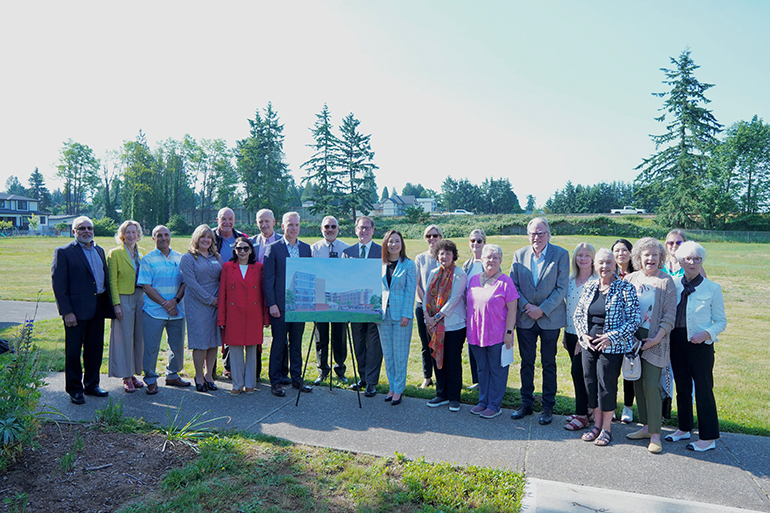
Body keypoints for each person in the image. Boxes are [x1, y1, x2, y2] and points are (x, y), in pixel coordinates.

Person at [574, 248, 640, 447]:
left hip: (612, 347)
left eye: (609, 263)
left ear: (615, 265)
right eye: (601, 262)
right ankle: (595, 425)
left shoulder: (624, 288)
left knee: (606, 386)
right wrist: (582, 335)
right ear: (595, 265)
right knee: (591, 384)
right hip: (589, 345)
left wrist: (611, 337)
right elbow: (578, 315)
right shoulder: (590, 286)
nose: (605, 266)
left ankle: (606, 429)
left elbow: (634, 319)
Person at [665, 241, 727, 452]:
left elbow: (721, 321)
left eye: (697, 259)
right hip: (677, 342)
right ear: (681, 261)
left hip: (700, 345)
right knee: (682, 389)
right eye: (688, 259)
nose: (692, 263)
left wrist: (707, 333)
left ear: (702, 261)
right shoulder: (673, 283)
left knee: (703, 390)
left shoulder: (712, 288)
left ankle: (708, 437)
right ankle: (684, 428)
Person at [509, 217, 569, 425]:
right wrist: (527, 306)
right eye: (533, 233)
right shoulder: (519, 255)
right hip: (525, 319)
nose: (537, 237)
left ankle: (548, 407)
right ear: (528, 235)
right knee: (526, 363)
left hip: (550, 320)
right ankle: (526, 403)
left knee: (548, 363)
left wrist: (541, 310)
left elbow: (561, 288)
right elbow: (513, 286)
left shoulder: (561, 254)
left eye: (541, 233)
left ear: (548, 234)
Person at [51, 216, 114, 404]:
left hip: (98, 308)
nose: (86, 231)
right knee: (73, 352)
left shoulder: (99, 250)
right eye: (81, 228)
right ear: (74, 232)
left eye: (89, 228)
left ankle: (92, 384)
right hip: (75, 312)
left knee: (94, 350)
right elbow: (59, 285)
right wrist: (66, 312)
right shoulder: (64, 252)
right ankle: (74, 389)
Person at [624, 237, 677, 454]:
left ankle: (656, 435)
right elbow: (622, 311)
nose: (651, 259)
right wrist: (630, 337)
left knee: (652, 386)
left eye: (655, 255)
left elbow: (670, 315)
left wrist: (656, 338)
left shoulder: (666, 281)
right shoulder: (629, 279)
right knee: (637, 383)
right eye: (646, 255)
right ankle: (645, 427)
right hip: (632, 339)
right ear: (638, 257)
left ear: (660, 257)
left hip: (656, 340)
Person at [466, 244, 519, 419]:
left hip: (497, 335)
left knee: (497, 370)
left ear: (501, 261)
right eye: (488, 257)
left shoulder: (506, 282)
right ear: (481, 259)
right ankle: (483, 401)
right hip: (476, 333)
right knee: (482, 369)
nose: (492, 260)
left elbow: (512, 310)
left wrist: (509, 332)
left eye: (496, 257)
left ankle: (494, 405)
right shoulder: (473, 279)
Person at [264, 211, 313, 397]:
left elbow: (310, 276)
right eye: (290, 225)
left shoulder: (306, 249)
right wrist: (272, 304)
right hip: (280, 307)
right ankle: (275, 382)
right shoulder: (274, 248)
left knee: (296, 343)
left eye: (296, 225)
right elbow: (268, 280)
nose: (293, 228)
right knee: (279, 344)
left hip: (300, 306)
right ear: (282, 227)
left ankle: (297, 379)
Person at [138, 225, 190, 395]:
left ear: (170, 237)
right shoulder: (147, 259)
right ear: (153, 239)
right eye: (158, 235)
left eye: (166, 235)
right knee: (152, 347)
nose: (163, 238)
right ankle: (151, 380)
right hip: (154, 311)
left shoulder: (180, 258)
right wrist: (165, 304)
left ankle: (172, 375)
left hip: (176, 311)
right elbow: (146, 286)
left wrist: (174, 302)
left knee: (177, 346)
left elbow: (184, 282)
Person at [218, 237, 268, 395]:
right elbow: (223, 294)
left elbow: (263, 294)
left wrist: (265, 318)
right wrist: (222, 318)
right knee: (235, 349)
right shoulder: (227, 267)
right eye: (239, 248)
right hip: (234, 314)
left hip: (253, 314)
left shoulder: (259, 268)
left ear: (251, 250)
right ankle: (237, 384)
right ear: (234, 250)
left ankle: (250, 383)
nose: (242, 252)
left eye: (246, 248)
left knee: (252, 350)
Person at [424, 240, 467, 412]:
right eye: (441, 253)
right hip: (434, 326)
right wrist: (427, 318)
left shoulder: (460, 274)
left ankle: (454, 397)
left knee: (453, 361)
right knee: (437, 359)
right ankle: (441, 394)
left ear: (453, 255)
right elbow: (427, 296)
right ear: (437, 255)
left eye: (448, 253)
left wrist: (436, 318)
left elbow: (454, 300)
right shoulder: (433, 273)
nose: (445, 256)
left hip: (454, 325)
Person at [342, 216, 383, 397]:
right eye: (361, 228)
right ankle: (363, 378)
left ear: (373, 231)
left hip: (374, 307)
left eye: (367, 228)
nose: (364, 231)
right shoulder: (347, 252)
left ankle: (372, 383)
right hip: (354, 307)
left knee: (374, 345)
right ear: (355, 230)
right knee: (358, 344)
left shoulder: (382, 251)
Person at [180, 224, 223, 393]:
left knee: (213, 340)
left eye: (209, 237)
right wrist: (210, 300)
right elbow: (191, 284)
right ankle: (198, 376)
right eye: (202, 237)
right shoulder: (189, 258)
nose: (206, 240)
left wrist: (219, 300)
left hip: (216, 303)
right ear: (196, 239)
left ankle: (209, 376)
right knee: (201, 342)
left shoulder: (216, 256)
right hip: (198, 304)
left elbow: (222, 278)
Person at [378, 230, 417, 406]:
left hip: (401, 316)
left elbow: (410, 292)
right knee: (389, 354)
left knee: (400, 355)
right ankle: (392, 387)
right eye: (390, 241)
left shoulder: (409, 265)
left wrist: (406, 315)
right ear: (386, 244)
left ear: (402, 244)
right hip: (383, 316)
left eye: (397, 241)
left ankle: (399, 390)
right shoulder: (381, 265)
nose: (394, 244)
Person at [310, 215, 350, 385]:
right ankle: (322, 370)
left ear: (338, 229)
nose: (330, 229)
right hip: (320, 296)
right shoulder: (314, 249)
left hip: (340, 298)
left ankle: (340, 369)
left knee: (340, 335)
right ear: (321, 229)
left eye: (333, 226)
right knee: (321, 336)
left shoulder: (347, 249)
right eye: (326, 226)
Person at [106, 220, 145, 393]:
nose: (131, 235)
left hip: (139, 298)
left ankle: (133, 373)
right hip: (123, 298)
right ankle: (125, 376)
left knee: (138, 338)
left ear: (138, 234)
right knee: (124, 338)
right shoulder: (115, 254)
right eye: (127, 232)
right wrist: (116, 304)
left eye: (134, 232)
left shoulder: (141, 254)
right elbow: (112, 282)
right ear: (122, 235)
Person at [249, 208, 287, 383]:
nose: (263, 224)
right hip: (255, 296)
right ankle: (254, 372)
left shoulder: (284, 241)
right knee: (254, 334)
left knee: (280, 336)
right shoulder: (250, 243)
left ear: (274, 221)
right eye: (260, 221)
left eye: (266, 221)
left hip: (277, 295)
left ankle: (282, 373)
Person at [562, 242, 597, 431]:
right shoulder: (570, 280)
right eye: (579, 255)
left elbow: (593, 313)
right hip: (570, 333)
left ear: (593, 259)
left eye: (586, 255)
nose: (582, 259)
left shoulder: (596, 281)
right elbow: (568, 308)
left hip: (587, 335)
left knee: (580, 374)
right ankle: (588, 410)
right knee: (580, 374)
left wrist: (582, 339)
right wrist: (565, 335)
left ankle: (582, 416)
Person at [214, 207, 247, 380]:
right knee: (213, 328)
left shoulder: (241, 238)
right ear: (217, 220)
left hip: (236, 291)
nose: (227, 222)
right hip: (213, 288)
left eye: (230, 218)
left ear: (234, 220)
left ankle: (228, 367)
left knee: (231, 329)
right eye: (223, 219)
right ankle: (209, 368)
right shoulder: (209, 237)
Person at [414, 224, 443, 389]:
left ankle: (441, 376)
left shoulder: (445, 256)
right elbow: (417, 284)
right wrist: (425, 306)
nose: (432, 239)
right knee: (425, 343)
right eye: (429, 236)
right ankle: (427, 377)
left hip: (441, 309)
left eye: (435, 235)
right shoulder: (420, 258)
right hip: (422, 307)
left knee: (439, 343)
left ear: (440, 237)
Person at [612, 238, 637, 423]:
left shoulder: (638, 274)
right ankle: (610, 406)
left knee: (629, 369)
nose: (621, 254)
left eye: (624, 250)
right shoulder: (606, 272)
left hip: (631, 330)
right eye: (617, 251)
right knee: (611, 371)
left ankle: (628, 406)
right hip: (611, 332)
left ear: (631, 253)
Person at [462, 228, 486, 390]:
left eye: (479, 240)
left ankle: (487, 379)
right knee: (472, 346)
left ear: (484, 243)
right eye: (473, 241)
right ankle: (477, 380)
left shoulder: (488, 262)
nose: (476, 243)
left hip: (486, 313)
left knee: (485, 346)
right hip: (469, 312)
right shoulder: (467, 264)